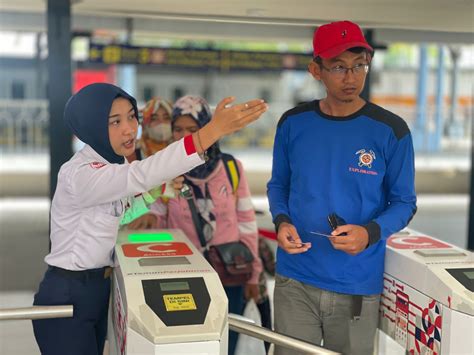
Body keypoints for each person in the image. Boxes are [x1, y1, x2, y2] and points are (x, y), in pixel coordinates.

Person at [32, 83, 267, 355]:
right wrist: (210, 132)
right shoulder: (81, 173)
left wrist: (154, 194)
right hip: (70, 291)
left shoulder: (109, 167)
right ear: (90, 126)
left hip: (96, 286)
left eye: (132, 116)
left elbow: (117, 214)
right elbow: (140, 174)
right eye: (115, 121)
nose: (130, 129)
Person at [267, 20, 417, 355]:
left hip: (357, 284)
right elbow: (279, 185)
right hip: (296, 280)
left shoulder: (391, 131)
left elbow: (404, 202)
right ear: (315, 69)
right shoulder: (293, 123)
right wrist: (282, 222)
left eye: (358, 65)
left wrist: (370, 233)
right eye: (338, 67)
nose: (351, 78)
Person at [148, 95, 262, 355]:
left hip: (229, 272)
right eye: (178, 129)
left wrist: (254, 273)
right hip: (183, 277)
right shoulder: (164, 170)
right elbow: (156, 220)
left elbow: (246, 221)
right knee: (189, 342)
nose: (184, 136)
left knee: (226, 342)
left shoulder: (231, 168)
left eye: (193, 129)